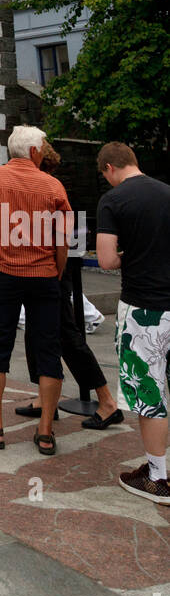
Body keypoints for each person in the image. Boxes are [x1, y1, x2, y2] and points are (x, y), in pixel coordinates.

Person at [0, 125, 68, 455]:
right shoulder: (53, 186)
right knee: (49, 350)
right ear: (35, 152)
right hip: (44, 276)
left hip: (2, 273)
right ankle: (46, 431)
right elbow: (63, 241)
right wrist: (56, 272)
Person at [15, 141, 121, 430]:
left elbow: (60, 234)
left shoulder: (47, 188)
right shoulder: (47, 186)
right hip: (43, 273)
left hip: (52, 272)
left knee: (68, 337)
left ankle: (107, 400)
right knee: (36, 334)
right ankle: (43, 399)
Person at [96, 141, 170, 504]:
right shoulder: (167, 192)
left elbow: (107, 260)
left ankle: (158, 477)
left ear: (109, 168)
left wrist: (133, 256)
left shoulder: (113, 201)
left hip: (143, 309)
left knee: (148, 393)